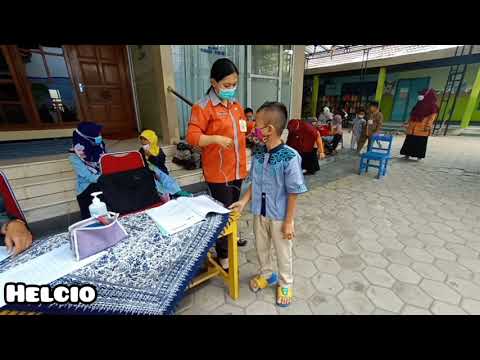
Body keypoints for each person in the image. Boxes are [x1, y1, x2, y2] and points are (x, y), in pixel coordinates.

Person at [229, 102, 307, 307]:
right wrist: (243, 201)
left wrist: (289, 222)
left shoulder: (290, 157)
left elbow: (293, 192)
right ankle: (267, 274)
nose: (253, 126)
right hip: (259, 213)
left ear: (269, 129)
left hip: (280, 216)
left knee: (283, 252)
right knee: (261, 248)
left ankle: (286, 283)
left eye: (257, 123)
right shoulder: (259, 154)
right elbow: (257, 182)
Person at [186, 58, 249, 265]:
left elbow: (242, 130)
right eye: (227, 85)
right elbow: (192, 137)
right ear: (214, 83)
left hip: (237, 169)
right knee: (223, 214)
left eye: (234, 84)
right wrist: (215, 138)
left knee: (235, 208)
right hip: (218, 172)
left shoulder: (237, 107)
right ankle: (223, 256)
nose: (231, 89)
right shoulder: (203, 107)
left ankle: (233, 237)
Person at [138, 130, 192, 200]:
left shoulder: (158, 150)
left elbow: (160, 163)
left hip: (160, 170)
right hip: (149, 172)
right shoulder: (141, 151)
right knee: (154, 182)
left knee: (166, 179)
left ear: (152, 140)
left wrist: (150, 156)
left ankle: (178, 192)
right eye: (141, 139)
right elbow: (141, 164)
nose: (143, 141)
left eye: (145, 139)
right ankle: (166, 194)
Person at [69, 122, 106, 220]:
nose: (99, 136)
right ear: (87, 137)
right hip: (86, 188)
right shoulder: (75, 155)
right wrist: (105, 178)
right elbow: (88, 176)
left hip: (101, 182)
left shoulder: (99, 147)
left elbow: (106, 162)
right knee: (91, 219)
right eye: (97, 134)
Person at [400, 89, 439, 160]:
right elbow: (412, 115)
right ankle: (406, 155)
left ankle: (419, 156)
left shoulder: (433, 107)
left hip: (422, 129)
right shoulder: (418, 104)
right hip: (412, 128)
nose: (420, 96)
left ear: (428, 96)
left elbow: (431, 118)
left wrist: (428, 126)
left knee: (420, 143)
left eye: (422, 94)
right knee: (409, 141)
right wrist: (407, 122)